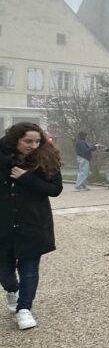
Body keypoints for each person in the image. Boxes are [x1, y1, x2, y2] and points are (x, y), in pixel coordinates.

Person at [0, 122, 63, 330]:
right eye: (28, 141)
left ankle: (24, 308)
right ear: (15, 139)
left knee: (29, 268)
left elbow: (54, 189)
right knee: (4, 268)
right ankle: (12, 289)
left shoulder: (46, 158)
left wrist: (26, 178)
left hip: (33, 221)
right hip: (4, 221)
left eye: (37, 140)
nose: (33, 145)